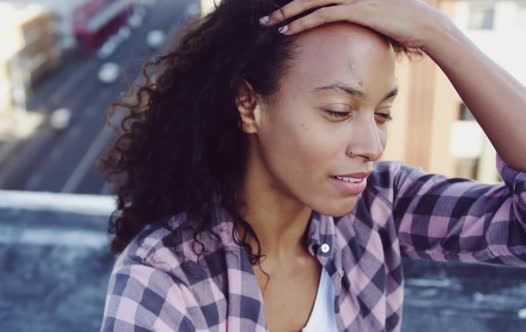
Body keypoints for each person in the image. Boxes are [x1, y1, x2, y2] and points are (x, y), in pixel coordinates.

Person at [99, 0, 526, 331]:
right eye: (339, 111)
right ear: (250, 106)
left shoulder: (379, 207)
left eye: (382, 114)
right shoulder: (165, 277)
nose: (371, 145)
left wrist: (439, 32)